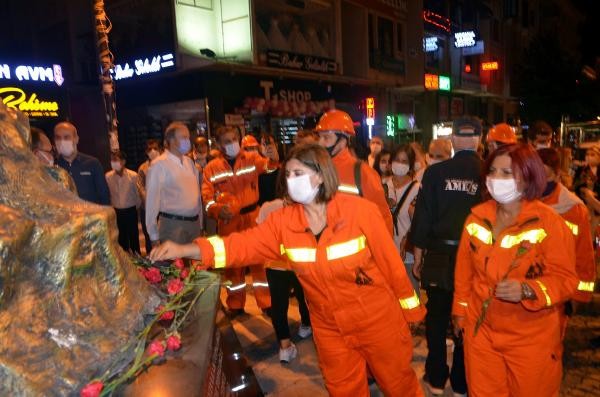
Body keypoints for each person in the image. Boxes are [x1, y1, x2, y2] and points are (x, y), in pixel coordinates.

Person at [150, 143, 426, 397]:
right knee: (343, 390)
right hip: (329, 328)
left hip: (377, 320)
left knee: (399, 385)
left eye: (298, 173)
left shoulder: (359, 212)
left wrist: (410, 310)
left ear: (320, 175)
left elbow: (391, 263)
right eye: (288, 174)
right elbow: (241, 245)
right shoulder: (283, 222)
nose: (291, 180)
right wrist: (187, 249)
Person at [453, 143, 578, 396]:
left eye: (507, 173)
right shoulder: (476, 218)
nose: (496, 179)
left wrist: (528, 290)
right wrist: (460, 314)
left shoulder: (549, 223)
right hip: (482, 332)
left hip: (531, 337)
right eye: (493, 172)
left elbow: (566, 279)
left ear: (529, 175)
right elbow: (464, 274)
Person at [410, 117, 484, 396]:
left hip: (440, 255)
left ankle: (437, 376)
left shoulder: (435, 173)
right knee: (466, 318)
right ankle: (462, 380)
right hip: (476, 258)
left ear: (453, 139)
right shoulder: (489, 173)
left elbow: (423, 220)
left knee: (437, 319)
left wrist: (418, 257)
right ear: (479, 139)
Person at [202, 126, 278, 316]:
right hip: (229, 221)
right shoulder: (211, 168)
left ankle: (266, 302)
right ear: (219, 144)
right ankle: (236, 304)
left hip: (253, 216)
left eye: (235, 139)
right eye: (227, 141)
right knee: (233, 265)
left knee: (259, 261)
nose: (232, 143)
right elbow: (206, 198)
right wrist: (218, 210)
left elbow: (269, 166)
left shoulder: (251, 159)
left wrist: (274, 157)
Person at [538, 148, 596, 336]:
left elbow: (584, 256)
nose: (539, 182)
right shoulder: (520, 203)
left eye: (544, 176)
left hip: (559, 296)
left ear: (557, 175)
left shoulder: (573, 209)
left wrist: (577, 298)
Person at [316, 109, 393, 235]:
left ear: (343, 140)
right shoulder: (314, 169)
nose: (320, 143)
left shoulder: (363, 173)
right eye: (319, 137)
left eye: (326, 137)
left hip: (356, 252)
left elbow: (382, 218)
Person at [257, 195, 312, 363]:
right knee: (304, 298)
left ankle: (285, 347)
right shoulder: (306, 208)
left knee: (279, 305)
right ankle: (305, 325)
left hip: (275, 265)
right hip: (298, 262)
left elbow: (259, 234)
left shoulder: (268, 207)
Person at [145, 122, 202, 245]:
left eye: (188, 137)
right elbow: (151, 202)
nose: (188, 141)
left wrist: (200, 223)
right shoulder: (159, 165)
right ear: (171, 140)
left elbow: (196, 195)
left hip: (194, 225)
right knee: (176, 264)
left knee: (196, 264)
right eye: (183, 137)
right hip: (173, 227)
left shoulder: (189, 163)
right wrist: (153, 235)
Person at [385, 145, 421, 294]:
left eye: (404, 161)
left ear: (411, 165)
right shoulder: (383, 185)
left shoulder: (417, 188)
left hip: (407, 255)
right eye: (397, 160)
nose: (400, 164)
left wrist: (408, 237)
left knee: (410, 296)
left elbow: (420, 224)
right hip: (386, 254)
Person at [54, 121, 110, 205]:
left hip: (91, 216)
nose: (62, 141)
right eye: (58, 138)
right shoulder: (53, 166)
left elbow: (104, 195)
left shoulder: (92, 163)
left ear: (76, 139)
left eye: (66, 137)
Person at [105, 150, 142, 254]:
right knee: (121, 239)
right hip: (117, 212)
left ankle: (137, 261)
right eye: (112, 160)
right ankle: (125, 262)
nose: (113, 162)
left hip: (130, 211)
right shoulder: (108, 176)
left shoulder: (133, 175)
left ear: (123, 161)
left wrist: (135, 207)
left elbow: (138, 194)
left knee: (134, 237)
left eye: (115, 160)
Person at [30, 126, 77, 192]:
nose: (52, 157)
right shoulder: (58, 179)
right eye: (50, 152)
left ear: (76, 138)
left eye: (66, 137)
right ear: (36, 154)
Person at [137, 139, 161, 254]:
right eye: (149, 149)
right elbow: (140, 186)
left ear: (160, 149)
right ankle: (152, 263)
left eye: (155, 148)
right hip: (148, 208)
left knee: (164, 235)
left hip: (164, 209)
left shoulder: (167, 164)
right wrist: (149, 202)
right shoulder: (143, 168)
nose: (152, 151)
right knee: (149, 236)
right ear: (146, 152)